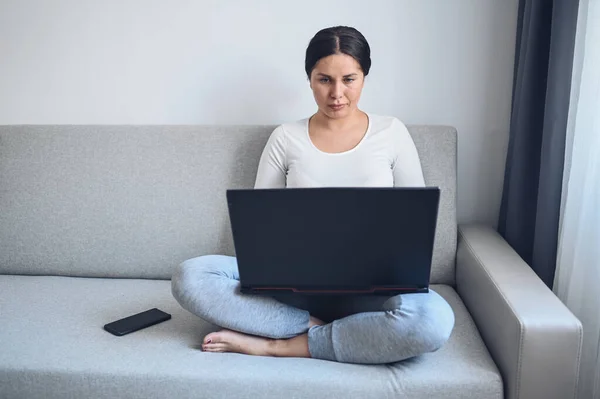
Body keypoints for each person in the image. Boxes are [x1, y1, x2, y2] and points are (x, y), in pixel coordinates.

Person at [171, 26, 455, 364]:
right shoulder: (285, 138)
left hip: (374, 288)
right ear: (309, 79)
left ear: (364, 76)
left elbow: (415, 225)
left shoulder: (392, 133)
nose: (337, 93)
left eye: (349, 79)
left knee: (432, 322)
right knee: (191, 276)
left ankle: (280, 344)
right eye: (324, 80)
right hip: (294, 291)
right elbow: (260, 229)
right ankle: (317, 327)